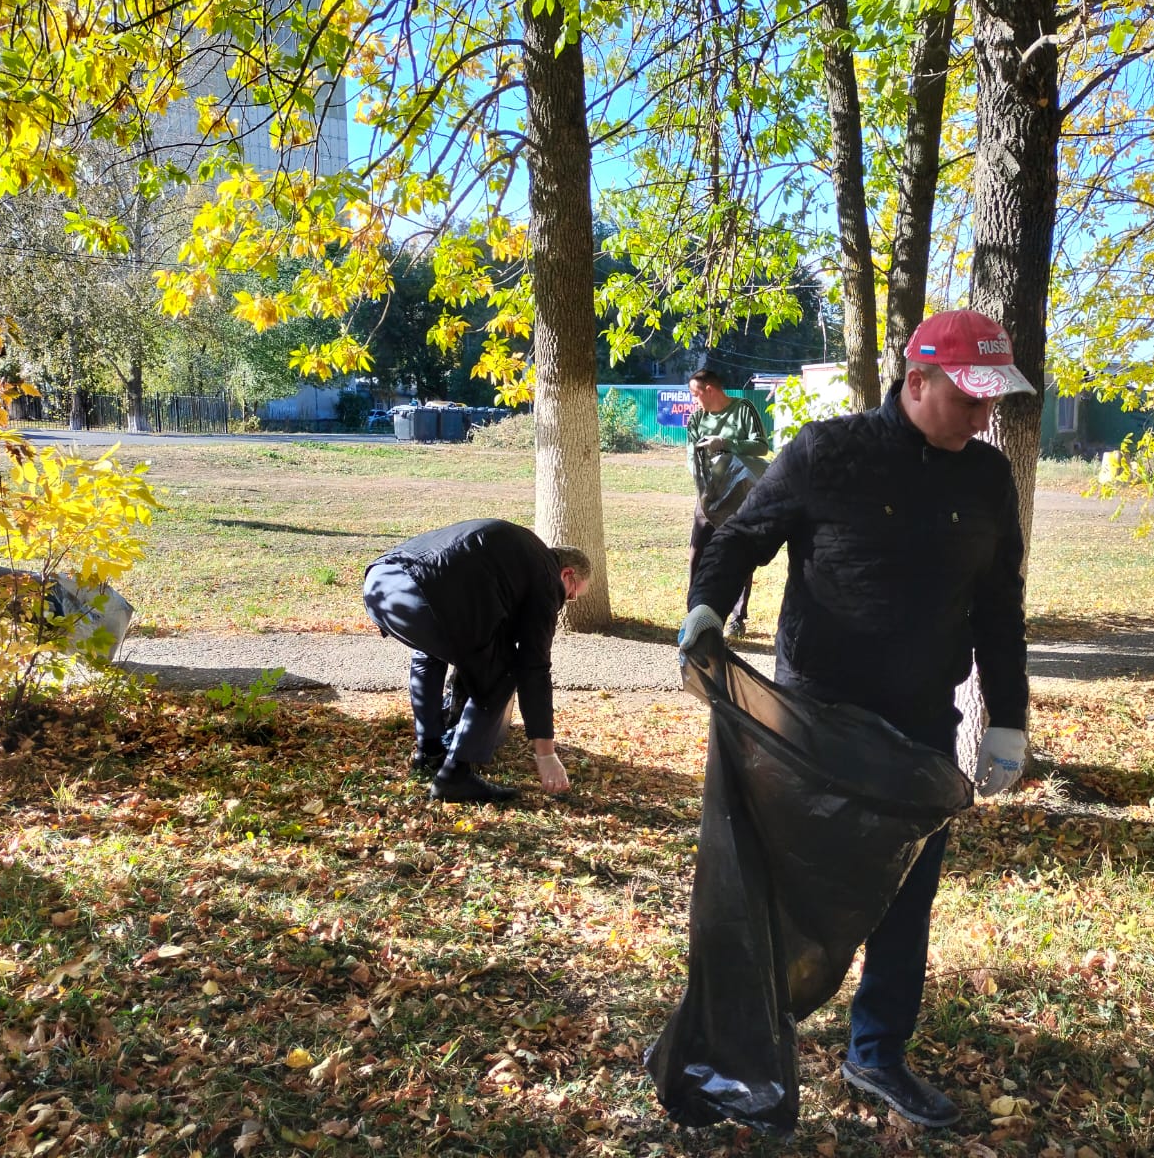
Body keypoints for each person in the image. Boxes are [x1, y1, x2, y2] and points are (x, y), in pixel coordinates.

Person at [677, 309, 1035, 1128]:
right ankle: (747, 1046)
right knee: (784, 889)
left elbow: (999, 607)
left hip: (920, 728)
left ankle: (877, 1054)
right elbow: (740, 538)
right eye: (970, 400)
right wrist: (705, 606)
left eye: (991, 404)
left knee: (905, 899)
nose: (985, 419)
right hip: (814, 725)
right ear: (916, 382)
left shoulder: (985, 478)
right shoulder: (826, 453)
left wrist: (1007, 718)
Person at [363, 519, 593, 804]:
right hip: (426, 596)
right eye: (570, 595)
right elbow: (533, 665)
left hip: (381, 582)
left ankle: (429, 751)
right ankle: (454, 776)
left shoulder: (518, 551)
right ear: (567, 573)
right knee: (505, 669)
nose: (564, 601)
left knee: (430, 652)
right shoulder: (546, 576)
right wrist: (545, 753)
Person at [685, 368, 770, 638]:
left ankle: (737, 618)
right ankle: (694, 612)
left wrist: (726, 443)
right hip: (709, 497)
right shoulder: (697, 418)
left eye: (696, 394)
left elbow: (761, 446)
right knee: (697, 554)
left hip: (739, 498)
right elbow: (690, 456)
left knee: (739, 554)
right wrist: (703, 483)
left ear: (710, 390)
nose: (694, 400)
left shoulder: (743, 409)